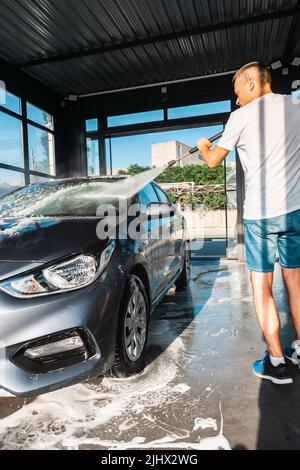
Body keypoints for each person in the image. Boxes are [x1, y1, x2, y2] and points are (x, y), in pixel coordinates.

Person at [197, 62, 300, 385]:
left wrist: (203, 146)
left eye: (238, 91)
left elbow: (214, 160)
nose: (237, 99)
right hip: (296, 209)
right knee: (296, 282)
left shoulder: (240, 117)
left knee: (262, 287)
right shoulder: (296, 105)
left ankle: (276, 362)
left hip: (260, 215)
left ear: (252, 84)